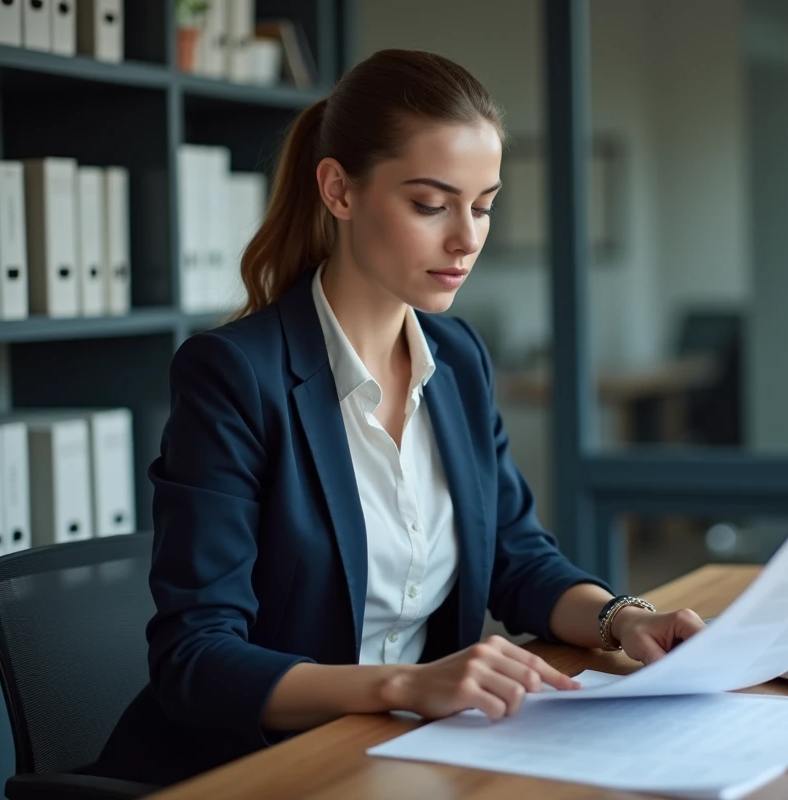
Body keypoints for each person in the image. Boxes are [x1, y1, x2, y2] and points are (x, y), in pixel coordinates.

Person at [88, 49, 707, 788]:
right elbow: (195, 659)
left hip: (409, 758)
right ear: (339, 190)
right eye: (430, 204)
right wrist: (405, 685)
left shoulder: (458, 358)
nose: (467, 239)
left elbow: (518, 558)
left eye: (482, 206)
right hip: (260, 767)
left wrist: (623, 619)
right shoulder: (234, 376)